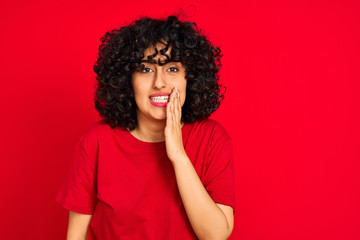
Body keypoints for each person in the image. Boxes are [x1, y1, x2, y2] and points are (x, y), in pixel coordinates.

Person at [56, 15, 235, 240]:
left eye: (172, 69)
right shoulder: (96, 142)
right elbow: (76, 236)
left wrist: (178, 156)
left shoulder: (211, 139)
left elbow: (216, 235)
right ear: (127, 80)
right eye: (146, 69)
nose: (159, 83)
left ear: (190, 78)